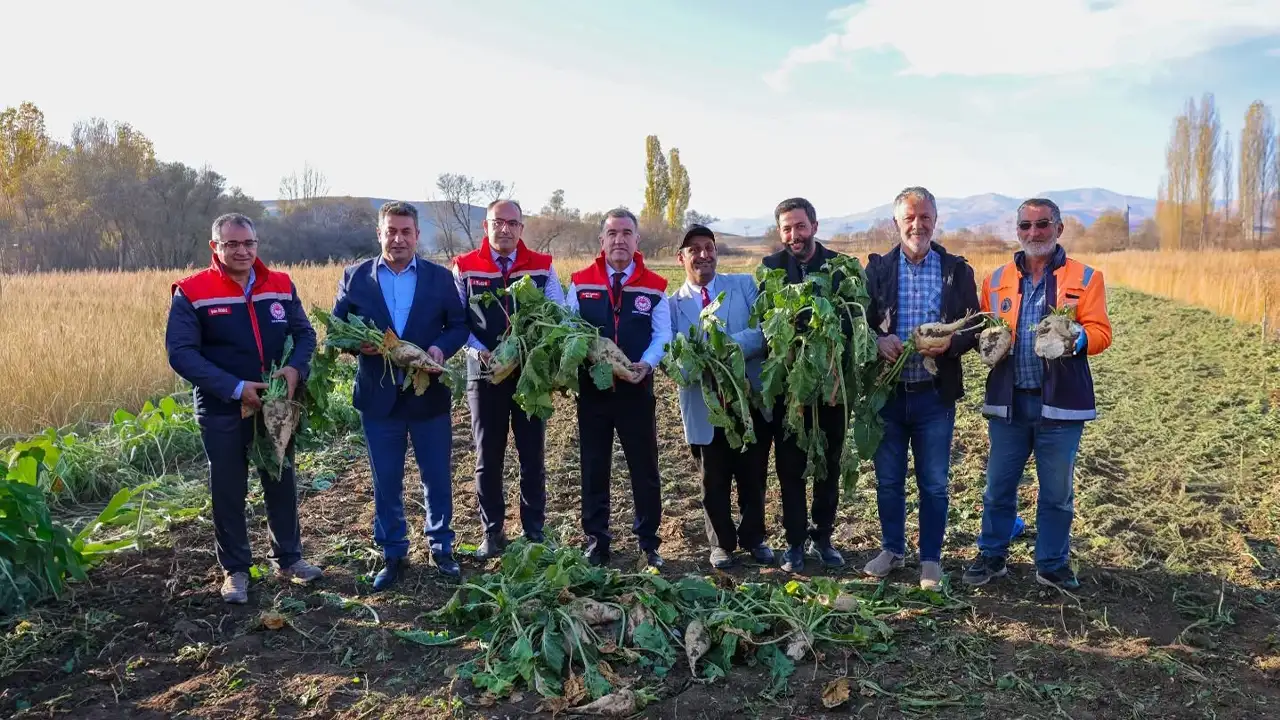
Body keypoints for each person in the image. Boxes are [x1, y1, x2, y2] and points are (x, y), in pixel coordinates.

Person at [166, 213, 323, 604]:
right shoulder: (192, 292)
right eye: (232, 244)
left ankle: (289, 559)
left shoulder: (281, 284)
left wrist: (295, 369)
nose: (242, 251)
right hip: (223, 407)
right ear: (214, 247)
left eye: (249, 243)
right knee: (228, 488)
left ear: (257, 244)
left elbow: (304, 334)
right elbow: (181, 353)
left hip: (277, 403)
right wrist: (236, 389)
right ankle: (236, 570)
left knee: (281, 479)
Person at [963, 198, 1112, 591]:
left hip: (1060, 405)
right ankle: (992, 555)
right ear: (1017, 231)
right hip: (1009, 402)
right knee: (998, 487)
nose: (1034, 233)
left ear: (1058, 229)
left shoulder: (1086, 277)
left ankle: (1051, 564)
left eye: (1043, 224)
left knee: (1057, 493)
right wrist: (987, 342)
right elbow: (983, 329)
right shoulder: (995, 280)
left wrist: (1077, 337)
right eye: (1026, 226)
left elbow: (1102, 332)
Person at [332, 201, 469, 589]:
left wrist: (441, 348)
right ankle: (393, 553)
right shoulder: (356, 277)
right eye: (391, 231)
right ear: (379, 234)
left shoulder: (439, 278)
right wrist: (358, 345)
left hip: (428, 395)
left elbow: (458, 325)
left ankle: (441, 547)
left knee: (436, 477)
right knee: (386, 480)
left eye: (406, 231)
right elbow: (338, 330)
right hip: (379, 400)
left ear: (417, 235)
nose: (398, 238)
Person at [862, 187, 981, 590]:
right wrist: (878, 342)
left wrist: (951, 344)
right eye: (909, 218)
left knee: (933, 483)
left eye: (925, 217)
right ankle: (892, 550)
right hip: (888, 394)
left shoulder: (955, 270)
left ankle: (930, 559)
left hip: (934, 395)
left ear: (935, 220)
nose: (918, 225)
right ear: (896, 223)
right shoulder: (877, 270)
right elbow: (859, 324)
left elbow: (974, 326)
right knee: (889, 481)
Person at [452, 199, 564, 558]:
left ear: (521, 228)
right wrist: (479, 352)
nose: (504, 229)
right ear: (486, 226)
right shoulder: (465, 266)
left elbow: (557, 313)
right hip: (484, 374)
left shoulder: (542, 266)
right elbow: (456, 321)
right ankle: (492, 531)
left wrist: (534, 348)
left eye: (512, 223)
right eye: (497, 222)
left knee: (532, 454)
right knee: (488, 456)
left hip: (530, 374)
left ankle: (534, 531)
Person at [567, 208, 671, 568]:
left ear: (637, 240)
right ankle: (597, 541)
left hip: (636, 391)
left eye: (626, 233)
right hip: (593, 391)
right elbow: (569, 330)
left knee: (644, 469)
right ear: (602, 240)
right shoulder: (580, 282)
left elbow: (663, 335)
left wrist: (648, 363)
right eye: (612, 233)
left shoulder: (655, 286)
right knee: (594, 467)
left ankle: (648, 543)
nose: (619, 240)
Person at [668, 224, 774, 569]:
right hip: (705, 406)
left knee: (753, 473)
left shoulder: (743, 286)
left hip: (747, 400)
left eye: (709, 247)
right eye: (694, 250)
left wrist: (726, 348)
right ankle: (721, 543)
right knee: (712, 479)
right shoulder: (672, 306)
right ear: (681, 258)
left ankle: (754, 537)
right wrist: (698, 360)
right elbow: (673, 358)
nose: (703, 255)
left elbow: (763, 331)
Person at [760, 197, 847, 574]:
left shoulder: (840, 267)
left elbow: (852, 319)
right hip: (790, 388)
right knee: (790, 467)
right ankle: (795, 540)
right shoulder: (771, 268)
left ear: (814, 226)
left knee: (828, 463)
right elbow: (765, 322)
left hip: (831, 387)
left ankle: (823, 537)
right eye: (787, 228)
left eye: (800, 226)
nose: (794, 234)